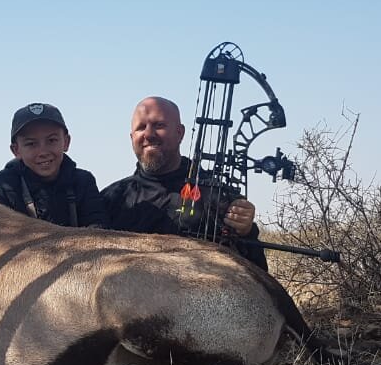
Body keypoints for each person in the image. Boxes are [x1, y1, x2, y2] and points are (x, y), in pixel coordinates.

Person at [101, 96, 268, 270]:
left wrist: (246, 231)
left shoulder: (218, 195)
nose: (149, 135)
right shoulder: (111, 198)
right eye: (141, 127)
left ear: (180, 133)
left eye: (159, 125)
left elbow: (257, 272)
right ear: (131, 137)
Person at [0, 103, 108, 228]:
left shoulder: (84, 181)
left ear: (66, 142)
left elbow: (98, 232)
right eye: (31, 144)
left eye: (51, 140)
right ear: (16, 150)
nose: (43, 152)